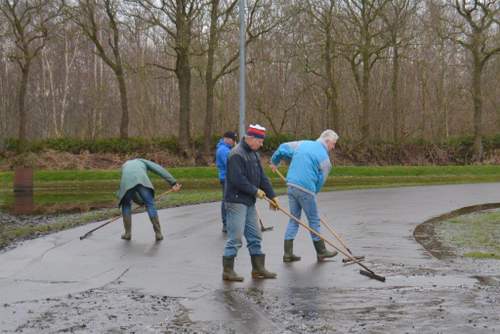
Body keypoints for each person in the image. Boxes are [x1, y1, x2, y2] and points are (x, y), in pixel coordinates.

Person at [270, 129, 339, 262]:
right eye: (333, 144)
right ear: (327, 141)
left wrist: (274, 161)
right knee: (314, 220)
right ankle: (321, 251)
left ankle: (287, 254)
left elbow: (282, 148)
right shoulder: (326, 161)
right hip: (306, 189)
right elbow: (320, 182)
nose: (333, 147)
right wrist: (314, 193)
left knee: (294, 219)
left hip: (291, 185)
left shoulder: (302, 144)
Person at [222, 124, 280, 282]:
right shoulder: (236, 154)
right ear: (252, 138)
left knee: (255, 236)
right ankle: (228, 271)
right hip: (235, 201)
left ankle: (258, 268)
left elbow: (262, 177)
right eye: (260, 141)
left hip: (249, 202)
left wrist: (272, 195)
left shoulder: (254, 154)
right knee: (235, 238)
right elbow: (237, 179)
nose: (261, 145)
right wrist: (255, 191)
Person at [116, 158, 181, 241]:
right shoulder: (142, 161)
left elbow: (131, 188)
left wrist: (141, 202)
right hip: (142, 181)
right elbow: (159, 169)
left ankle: (127, 234)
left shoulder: (124, 165)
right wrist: (173, 182)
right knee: (150, 204)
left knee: (126, 205)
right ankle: (158, 234)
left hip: (127, 184)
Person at [215, 131, 238, 233]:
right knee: (226, 200)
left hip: (230, 177)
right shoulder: (223, 150)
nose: (234, 142)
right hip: (226, 178)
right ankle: (226, 224)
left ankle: (230, 222)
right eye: (233, 140)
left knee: (230, 200)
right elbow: (229, 164)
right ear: (228, 139)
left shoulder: (227, 149)